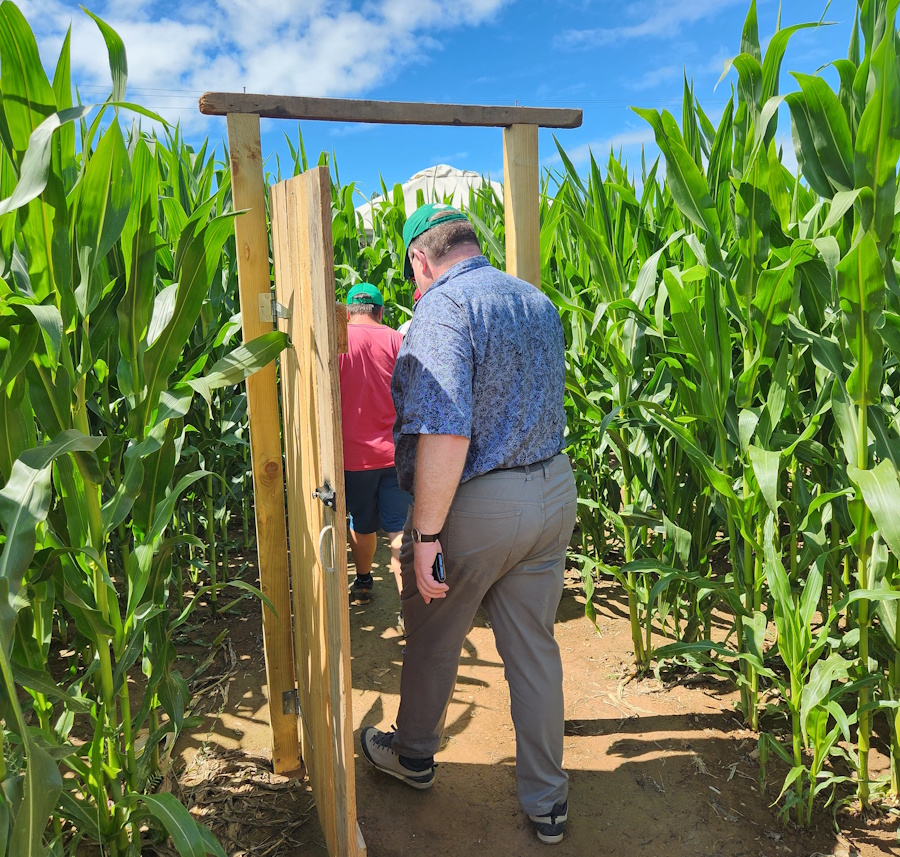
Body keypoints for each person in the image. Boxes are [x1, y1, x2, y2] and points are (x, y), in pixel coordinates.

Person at [359, 204, 578, 844]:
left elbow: (444, 429)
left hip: (478, 504)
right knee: (534, 651)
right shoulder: (534, 300)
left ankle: (413, 755)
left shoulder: (443, 308)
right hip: (553, 490)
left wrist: (426, 535)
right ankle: (548, 803)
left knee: (432, 633)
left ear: (419, 260)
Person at [339, 283, 411, 609]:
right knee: (399, 531)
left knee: (361, 522)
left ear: (348, 313)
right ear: (380, 311)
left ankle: (364, 581)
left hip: (353, 457)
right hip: (394, 455)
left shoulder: (337, 342)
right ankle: (409, 608)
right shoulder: (397, 340)